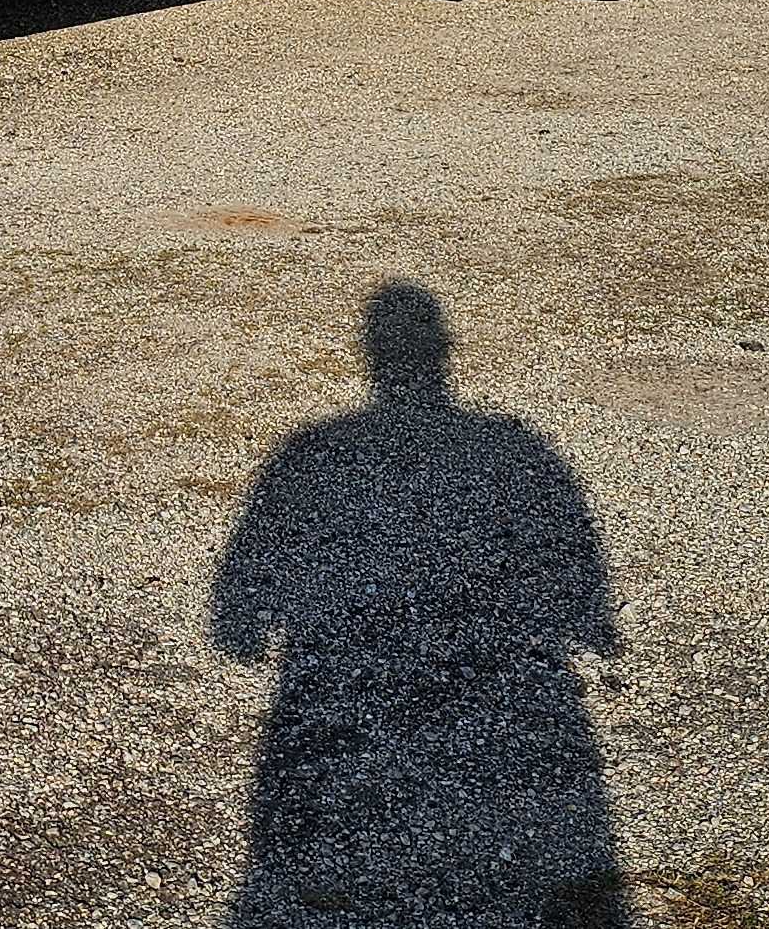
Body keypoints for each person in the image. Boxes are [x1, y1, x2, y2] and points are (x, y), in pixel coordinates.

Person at [209, 283, 627, 926]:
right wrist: (587, 620)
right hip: (497, 684)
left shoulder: (316, 452)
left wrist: (242, 619)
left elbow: (256, 552)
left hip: (339, 680)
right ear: (445, 352)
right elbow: (566, 547)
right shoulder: (512, 449)